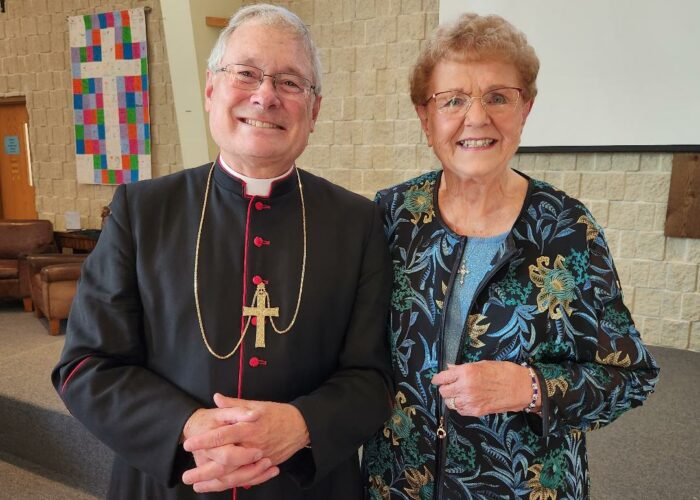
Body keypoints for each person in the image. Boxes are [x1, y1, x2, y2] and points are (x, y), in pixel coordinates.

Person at [52, 4, 392, 499]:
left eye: (291, 82)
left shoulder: (357, 222)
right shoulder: (141, 211)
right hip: (171, 480)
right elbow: (86, 365)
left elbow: (373, 377)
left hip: (304, 484)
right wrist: (190, 428)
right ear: (211, 90)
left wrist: (301, 425)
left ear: (314, 111)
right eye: (246, 74)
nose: (266, 96)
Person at [362, 13, 659, 499]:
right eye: (453, 99)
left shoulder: (567, 228)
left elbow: (630, 376)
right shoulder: (392, 216)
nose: (477, 117)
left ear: (526, 110)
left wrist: (530, 387)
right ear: (425, 118)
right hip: (399, 485)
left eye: (498, 97)